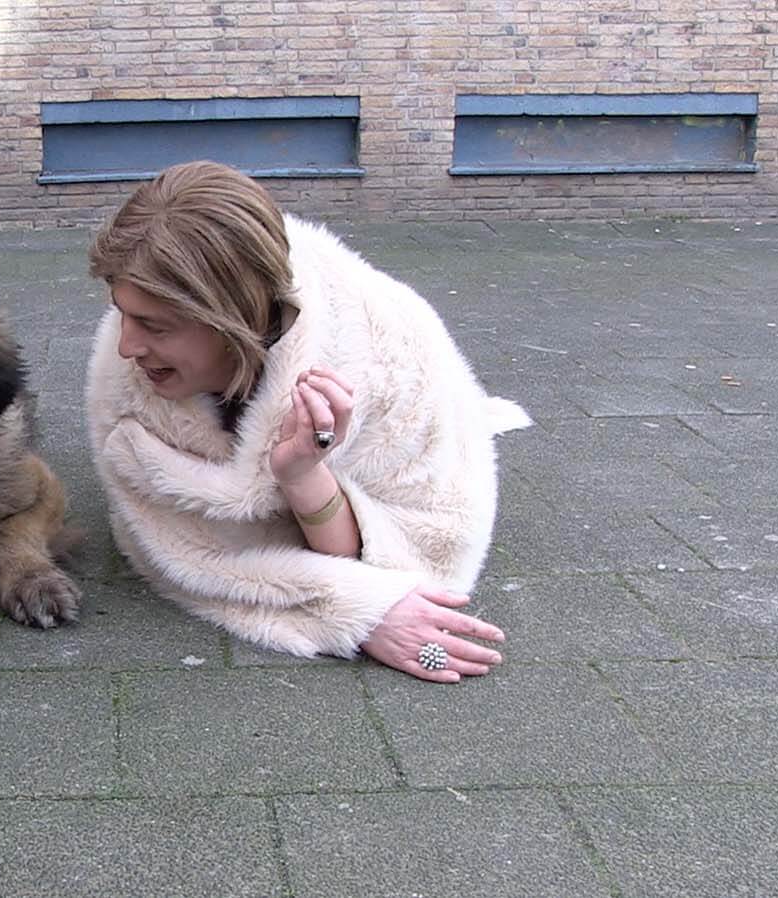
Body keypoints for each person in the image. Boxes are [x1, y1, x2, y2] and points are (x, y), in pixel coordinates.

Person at [84, 160, 531, 682]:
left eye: (155, 327)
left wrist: (301, 474)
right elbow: (179, 547)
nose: (126, 346)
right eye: (122, 313)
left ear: (233, 319)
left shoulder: (391, 356)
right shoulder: (125, 385)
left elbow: (422, 540)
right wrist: (359, 610)